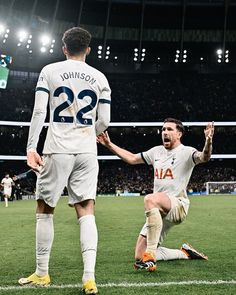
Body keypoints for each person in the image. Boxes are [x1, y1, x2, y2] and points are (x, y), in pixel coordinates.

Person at [18, 27, 111, 294]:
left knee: (45, 209)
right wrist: (88, 134)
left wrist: (31, 147)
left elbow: (38, 111)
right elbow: (105, 121)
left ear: (64, 47)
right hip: (86, 151)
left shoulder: (50, 71)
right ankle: (89, 278)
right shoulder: (100, 77)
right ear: (89, 49)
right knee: (86, 210)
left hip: (57, 147)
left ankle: (42, 273)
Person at [97, 118, 214, 271]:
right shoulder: (156, 152)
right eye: (163, 129)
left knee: (150, 199)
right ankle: (184, 253)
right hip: (158, 210)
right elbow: (132, 159)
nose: (165, 132)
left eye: (170, 129)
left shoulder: (187, 152)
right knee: (139, 256)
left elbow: (204, 157)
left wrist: (208, 141)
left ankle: (151, 255)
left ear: (179, 134)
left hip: (177, 205)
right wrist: (108, 145)